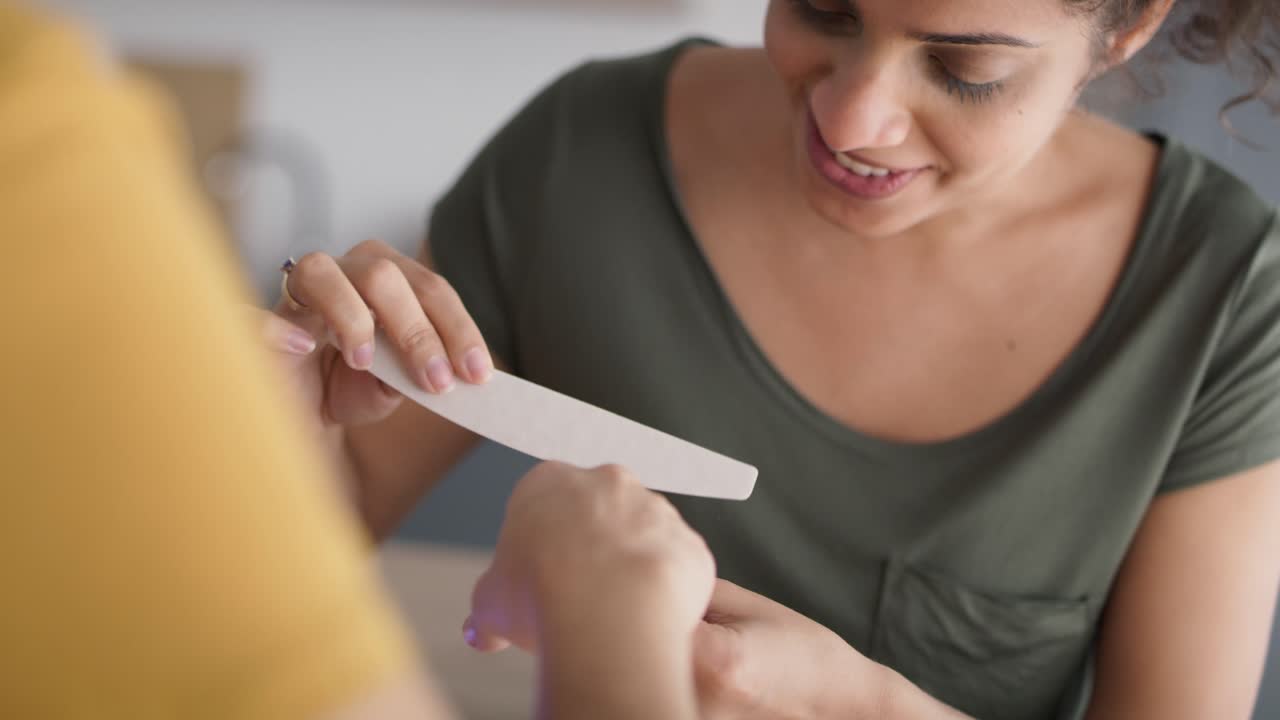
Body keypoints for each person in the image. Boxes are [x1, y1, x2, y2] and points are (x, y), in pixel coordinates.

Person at [273, 0, 1280, 718]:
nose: (849, 121)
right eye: (822, 10)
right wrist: (288, 407)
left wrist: (861, 705)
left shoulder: (1220, 293)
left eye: (962, 69)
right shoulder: (579, 151)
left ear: (1129, 25)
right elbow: (305, 535)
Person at [0, 3, 717, 719]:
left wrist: (619, 622)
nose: (836, 118)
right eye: (814, 10)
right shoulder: (32, 128)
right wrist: (614, 627)